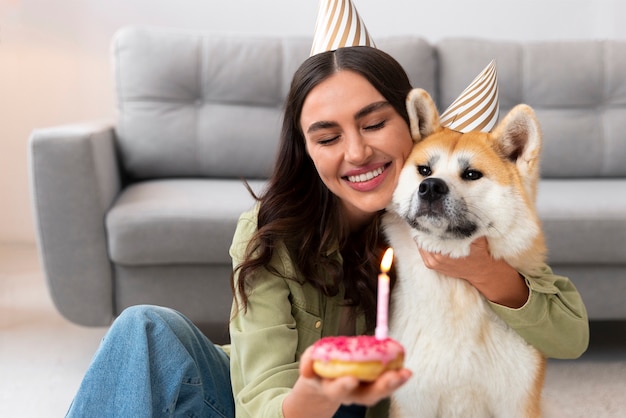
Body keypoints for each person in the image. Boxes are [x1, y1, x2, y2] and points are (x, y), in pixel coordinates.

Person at [65, 44, 589, 418]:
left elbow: (566, 331)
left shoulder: (441, 234)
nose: (357, 152)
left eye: (374, 123)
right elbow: (259, 395)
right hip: (279, 407)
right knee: (144, 328)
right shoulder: (273, 233)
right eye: (327, 135)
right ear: (307, 150)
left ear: (413, 127)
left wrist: (487, 272)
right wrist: (314, 395)